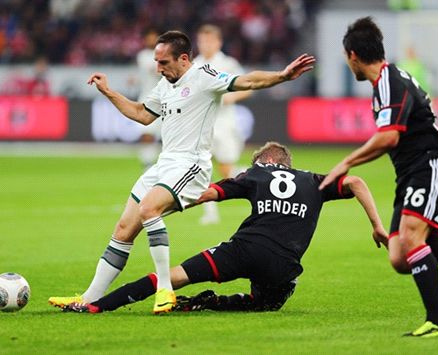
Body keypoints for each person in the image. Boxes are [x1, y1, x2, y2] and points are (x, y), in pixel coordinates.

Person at [48, 30, 316, 314]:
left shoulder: (204, 76)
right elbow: (142, 114)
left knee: (149, 209)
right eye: (156, 61)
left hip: (191, 165)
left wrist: (282, 76)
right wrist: (109, 92)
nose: (158, 68)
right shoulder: (164, 85)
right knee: (124, 229)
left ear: (184, 58)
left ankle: (165, 289)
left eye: (163, 62)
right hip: (165, 164)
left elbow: (246, 80)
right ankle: (88, 298)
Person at [318, 17, 438, 337]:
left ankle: (437, 322)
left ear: (352, 55)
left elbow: (389, 137)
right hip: (410, 173)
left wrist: (346, 163)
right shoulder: (386, 81)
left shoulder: (389, 81)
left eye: (345, 57)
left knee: (412, 239)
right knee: (399, 258)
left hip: (431, 165)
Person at [60, 142, 388, 314]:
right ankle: (212, 302)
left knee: (170, 277)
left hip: (242, 251)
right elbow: (357, 180)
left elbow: (208, 194)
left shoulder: (254, 175)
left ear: (262, 162)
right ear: (287, 163)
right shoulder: (314, 181)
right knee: (266, 303)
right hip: (284, 266)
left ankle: (97, 305)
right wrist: (376, 226)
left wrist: (166, 208)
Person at [193, 24, 253, 225]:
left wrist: (231, 97)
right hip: (203, 124)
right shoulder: (195, 65)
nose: (205, 45)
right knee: (202, 167)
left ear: (218, 42)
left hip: (225, 123)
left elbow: (248, 87)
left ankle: (256, 174)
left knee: (227, 170)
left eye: (209, 40)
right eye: (202, 41)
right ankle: (209, 213)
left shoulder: (228, 63)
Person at [135, 27, 162, 169]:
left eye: (154, 37)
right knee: (147, 134)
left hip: (164, 99)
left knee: (166, 137)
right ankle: (147, 163)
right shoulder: (143, 55)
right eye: (149, 37)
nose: (151, 40)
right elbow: (155, 70)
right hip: (147, 99)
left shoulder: (164, 53)